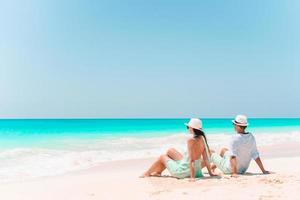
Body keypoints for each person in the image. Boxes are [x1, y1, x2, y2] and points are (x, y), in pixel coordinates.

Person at [140, 118, 215, 181]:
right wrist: (210, 173)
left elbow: (191, 160)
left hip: (183, 172)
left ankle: (147, 173)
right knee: (170, 151)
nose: (188, 129)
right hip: (196, 170)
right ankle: (158, 172)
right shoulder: (202, 138)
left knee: (162, 157)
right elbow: (206, 158)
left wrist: (192, 178)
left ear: (192, 128)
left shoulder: (191, 140)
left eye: (188, 127)